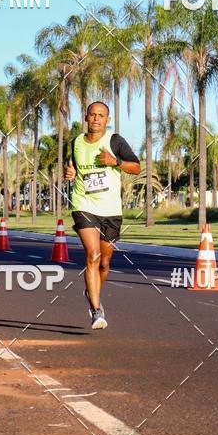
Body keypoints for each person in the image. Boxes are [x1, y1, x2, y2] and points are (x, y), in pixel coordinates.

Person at [64, 101, 140, 330]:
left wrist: (115, 161)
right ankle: (96, 311)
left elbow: (136, 167)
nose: (96, 118)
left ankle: (92, 290)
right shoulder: (76, 142)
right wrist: (70, 173)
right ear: (85, 117)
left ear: (107, 120)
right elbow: (74, 167)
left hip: (111, 210)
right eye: (93, 114)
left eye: (101, 115)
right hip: (83, 204)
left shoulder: (115, 141)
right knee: (93, 255)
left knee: (105, 263)